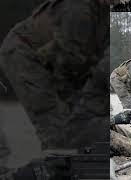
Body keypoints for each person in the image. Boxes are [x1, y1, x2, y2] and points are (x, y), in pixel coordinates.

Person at [0, 0, 108, 177]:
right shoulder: (79, 9)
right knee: (58, 128)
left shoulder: (102, 14)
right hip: (26, 55)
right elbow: (68, 63)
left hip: (56, 61)